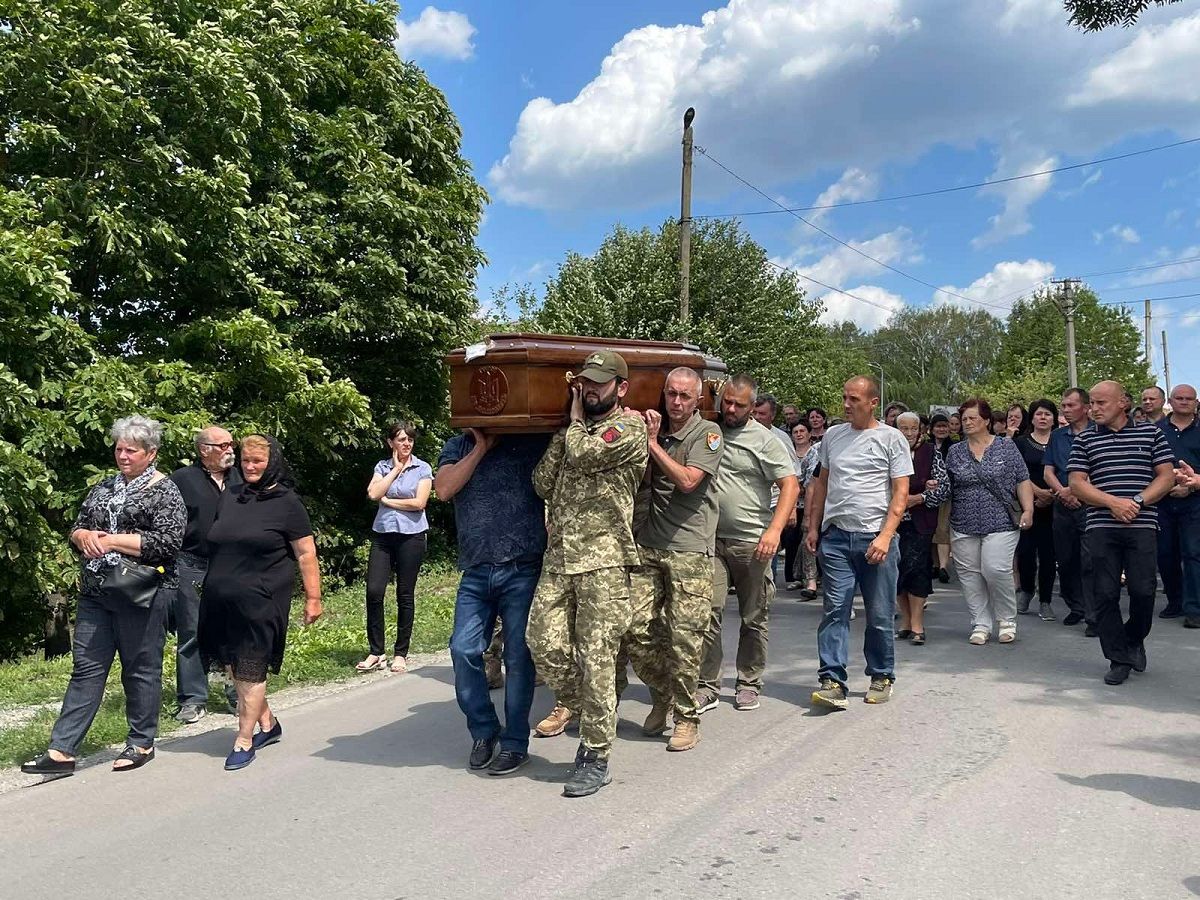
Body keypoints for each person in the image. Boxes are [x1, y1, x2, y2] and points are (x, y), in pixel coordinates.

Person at [22, 416, 186, 777]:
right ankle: (62, 751)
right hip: (97, 591)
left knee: (140, 669)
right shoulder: (104, 488)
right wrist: (81, 537)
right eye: (119, 448)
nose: (123, 455)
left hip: (142, 592)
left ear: (151, 453)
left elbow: (167, 544)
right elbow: (79, 524)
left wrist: (111, 541)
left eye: (132, 450)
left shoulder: (165, 491)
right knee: (86, 668)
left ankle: (142, 741)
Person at [526, 350, 647, 797]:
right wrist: (564, 430)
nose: (589, 389)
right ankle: (579, 702)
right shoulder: (570, 432)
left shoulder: (629, 428)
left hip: (605, 561)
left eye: (598, 382)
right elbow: (542, 482)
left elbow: (586, 455)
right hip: (560, 558)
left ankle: (595, 755)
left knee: (597, 660)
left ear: (621, 387)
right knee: (541, 640)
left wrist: (573, 423)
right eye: (584, 382)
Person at [198, 435, 322, 770]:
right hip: (221, 597)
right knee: (233, 665)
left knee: (251, 665)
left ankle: (244, 739)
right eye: (245, 461)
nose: (250, 467)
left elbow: (306, 553)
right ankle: (268, 723)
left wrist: (313, 597)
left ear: (273, 463)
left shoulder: (287, 502)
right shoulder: (232, 495)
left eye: (258, 461)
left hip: (263, 598)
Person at [623, 367, 725, 752]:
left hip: (689, 550)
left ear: (698, 398)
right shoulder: (658, 428)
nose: (677, 402)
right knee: (636, 629)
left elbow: (687, 481)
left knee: (685, 639)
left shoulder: (707, 434)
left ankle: (686, 718)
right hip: (648, 544)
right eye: (671, 394)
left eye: (685, 396)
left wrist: (651, 443)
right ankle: (663, 693)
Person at [437, 426, 550, 776]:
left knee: (518, 657)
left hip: (521, 568)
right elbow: (443, 489)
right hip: (475, 571)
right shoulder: (457, 446)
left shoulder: (532, 441)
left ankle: (516, 743)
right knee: (463, 649)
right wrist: (480, 448)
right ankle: (484, 731)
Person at [696, 375, 798, 714]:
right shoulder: (709, 429)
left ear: (753, 407)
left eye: (739, 404)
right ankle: (708, 684)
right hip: (710, 539)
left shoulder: (765, 441)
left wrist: (774, 531)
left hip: (752, 541)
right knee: (707, 610)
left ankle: (749, 682)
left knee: (754, 615)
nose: (731, 408)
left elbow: (790, 485)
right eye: (727, 401)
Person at [807, 377, 910, 710]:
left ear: (873, 402)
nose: (847, 405)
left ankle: (881, 675)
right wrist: (814, 527)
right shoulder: (833, 437)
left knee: (879, 614)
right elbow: (821, 484)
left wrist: (885, 535)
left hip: (876, 540)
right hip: (837, 538)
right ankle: (832, 680)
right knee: (835, 611)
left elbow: (901, 493)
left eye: (854, 399)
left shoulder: (892, 439)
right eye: (844, 398)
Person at [1067, 381, 1175, 684]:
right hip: (1101, 526)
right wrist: (1112, 503)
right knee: (1105, 593)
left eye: (1102, 403)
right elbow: (1077, 483)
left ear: (1123, 403)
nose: (1095, 409)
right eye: (1092, 404)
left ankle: (1133, 637)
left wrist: (1137, 502)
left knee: (1143, 590)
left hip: (1142, 525)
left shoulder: (1151, 433)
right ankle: (1117, 658)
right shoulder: (1085, 439)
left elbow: (1166, 477)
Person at [168, 425, 242, 723]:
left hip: (235, 564)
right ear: (204, 450)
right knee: (191, 631)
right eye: (223, 445)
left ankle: (239, 692)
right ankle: (192, 699)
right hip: (192, 563)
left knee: (236, 629)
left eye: (231, 444)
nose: (230, 450)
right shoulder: (183, 480)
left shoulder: (242, 478)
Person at [944, 399, 1033, 645]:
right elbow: (947, 486)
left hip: (1001, 520)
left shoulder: (1006, 446)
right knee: (970, 574)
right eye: (964, 419)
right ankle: (980, 623)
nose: (967, 423)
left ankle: (1006, 620)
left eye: (973, 418)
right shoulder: (955, 451)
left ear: (986, 421)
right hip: (964, 521)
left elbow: (1022, 479)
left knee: (995, 568)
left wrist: (1028, 509)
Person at [357, 422, 432, 675]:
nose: (406, 444)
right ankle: (376, 651)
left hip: (412, 536)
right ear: (391, 443)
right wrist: (396, 470)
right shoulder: (382, 467)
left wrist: (389, 500)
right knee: (374, 591)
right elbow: (372, 493)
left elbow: (419, 502)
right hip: (383, 535)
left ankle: (401, 653)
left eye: (410, 439)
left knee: (404, 594)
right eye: (401, 440)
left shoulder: (423, 468)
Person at [894, 412, 949, 645]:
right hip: (890, 522)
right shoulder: (888, 450)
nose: (908, 433)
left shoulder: (930, 452)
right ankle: (905, 621)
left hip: (919, 523)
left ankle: (918, 624)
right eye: (903, 429)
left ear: (920, 430)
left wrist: (919, 497)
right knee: (896, 573)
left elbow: (943, 487)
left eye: (912, 429)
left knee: (917, 571)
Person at [1043, 388, 1094, 630]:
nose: (1065, 410)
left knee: (1090, 559)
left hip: (1092, 505)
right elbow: (1048, 471)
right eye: (1063, 405)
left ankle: (1094, 614)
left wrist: (1078, 491)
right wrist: (1063, 492)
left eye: (1071, 405)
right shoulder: (1057, 436)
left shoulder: (1100, 433)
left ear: (1086, 407)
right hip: (1062, 504)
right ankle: (1076, 606)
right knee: (1066, 558)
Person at [1154, 384, 1200, 624]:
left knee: (1193, 554)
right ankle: (1174, 601)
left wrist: (1191, 485)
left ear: (1196, 403)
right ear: (1170, 401)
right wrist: (1167, 485)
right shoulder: (1155, 430)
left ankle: (1194, 608)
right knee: (1165, 553)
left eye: (1189, 399)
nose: (1184, 402)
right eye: (1179, 398)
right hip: (1162, 502)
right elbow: (1146, 464)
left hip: (1195, 501)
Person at [1015, 400, 1058, 621]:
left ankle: (1046, 600)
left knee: (1049, 555)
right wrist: (1037, 493)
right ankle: (1026, 589)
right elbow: (1017, 472)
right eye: (1039, 414)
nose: (1043, 418)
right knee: (1026, 553)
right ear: (1031, 418)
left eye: (1047, 414)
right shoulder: (1021, 442)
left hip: (1055, 503)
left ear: (1054, 418)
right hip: (1027, 504)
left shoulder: (1060, 440)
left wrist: (1050, 494)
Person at [784, 421, 820, 599]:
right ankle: (810, 582)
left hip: (834, 507)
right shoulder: (816, 452)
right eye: (795, 431)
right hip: (808, 505)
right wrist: (807, 516)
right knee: (808, 542)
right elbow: (809, 485)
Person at [929, 414, 955, 583]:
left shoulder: (955, 447)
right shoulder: (926, 447)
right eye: (938, 426)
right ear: (932, 429)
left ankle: (944, 566)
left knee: (943, 528)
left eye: (944, 426)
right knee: (931, 528)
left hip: (948, 494)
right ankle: (935, 565)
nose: (941, 429)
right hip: (929, 494)